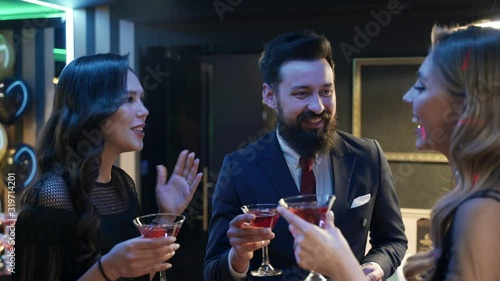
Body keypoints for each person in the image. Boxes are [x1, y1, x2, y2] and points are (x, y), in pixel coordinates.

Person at [278, 24, 500, 281]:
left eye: (421, 86)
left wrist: (341, 268)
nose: (407, 97)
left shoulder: (484, 211)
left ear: (467, 104)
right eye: (301, 93)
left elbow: (392, 240)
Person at [204, 30, 408, 281]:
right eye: (302, 94)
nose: (318, 106)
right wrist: (237, 258)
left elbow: (392, 241)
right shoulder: (238, 168)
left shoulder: (368, 156)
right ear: (270, 96)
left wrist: (372, 268)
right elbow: (213, 271)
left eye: (326, 91)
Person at [13, 53, 203, 281]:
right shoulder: (52, 193)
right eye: (129, 99)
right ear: (93, 108)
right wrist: (109, 269)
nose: (144, 110)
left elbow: (139, 275)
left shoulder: (122, 185)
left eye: (142, 99)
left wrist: (166, 216)